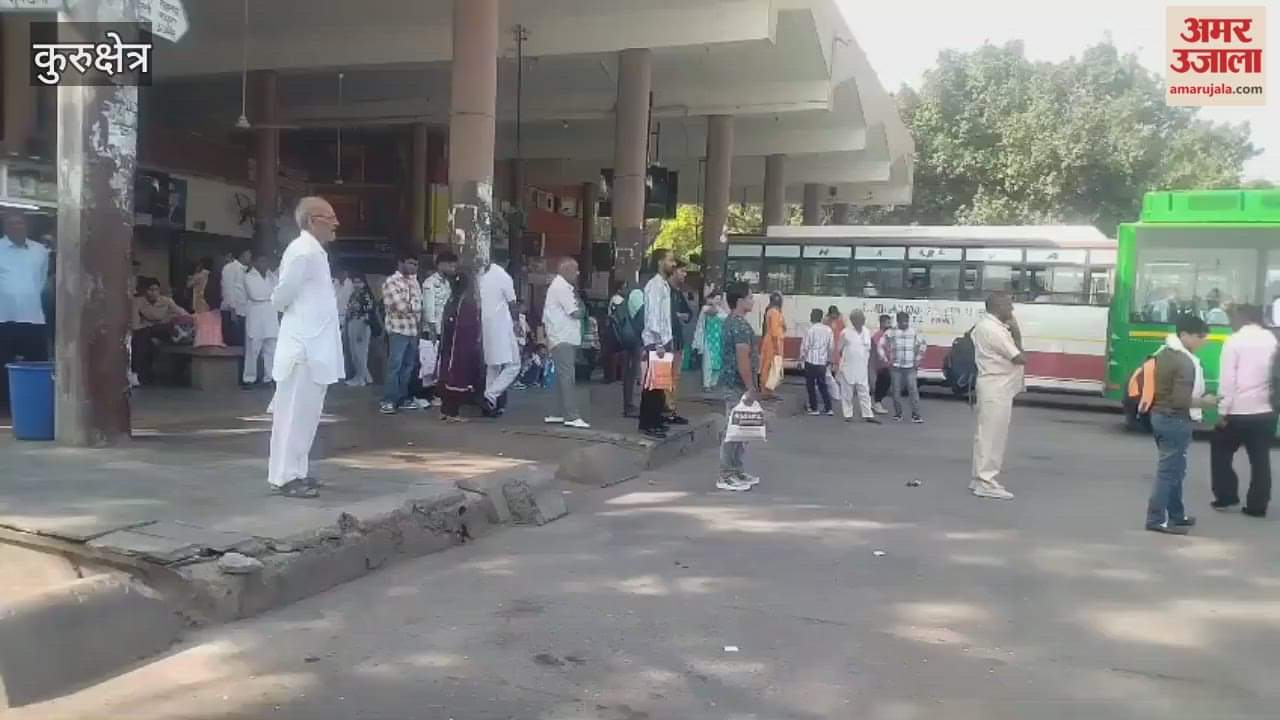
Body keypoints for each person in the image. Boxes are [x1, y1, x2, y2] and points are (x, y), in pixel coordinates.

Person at [267, 196, 344, 498]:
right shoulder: (301, 251)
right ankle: (285, 477)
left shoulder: (316, 253)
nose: (336, 223)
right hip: (302, 349)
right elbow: (281, 295)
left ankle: (298, 472)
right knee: (292, 414)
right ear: (313, 220)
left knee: (307, 415)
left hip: (317, 348)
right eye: (331, 217)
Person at [1145, 314, 1215, 534]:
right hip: (1174, 419)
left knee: (1175, 469)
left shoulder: (1165, 353)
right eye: (1200, 336)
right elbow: (1180, 400)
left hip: (1159, 416)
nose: (1204, 341)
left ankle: (1176, 515)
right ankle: (1156, 519)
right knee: (1169, 472)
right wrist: (1205, 402)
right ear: (1184, 335)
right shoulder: (1184, 361)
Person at [1210, 304, 1277, 517]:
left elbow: (1228, 380)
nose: (1230, 322)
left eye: (1232, 318)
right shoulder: (1272, 340)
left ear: (1242, 318)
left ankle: (1226, 495)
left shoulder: (1234, 341)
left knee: (1221, 450)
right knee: (1260, 459)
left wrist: (1222, 411)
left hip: (1238, 410)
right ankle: (1258, 506)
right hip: (1266, 410)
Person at [969, 292, 1027, 500]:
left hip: (993, 386)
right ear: (998, 307)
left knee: (985, 435)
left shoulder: (986, 326)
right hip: (996, 387)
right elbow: (1019, 357)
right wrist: (1018, 334)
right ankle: (987, 481)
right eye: (1009, 306)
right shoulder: (994, 330)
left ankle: (978, 478)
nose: (1012, 311)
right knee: (993, 437)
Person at [0, 212, 50, 404]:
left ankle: (35, 401)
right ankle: (5, 404)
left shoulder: (40, 251)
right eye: (12, 225)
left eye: (20, 224)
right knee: (3, 363)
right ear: (5, 227)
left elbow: (41, 281)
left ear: (27, 226)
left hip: (33, 315)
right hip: (3, 316)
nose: (16, 228)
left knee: (36, 363)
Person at [718, 282, 762, 492]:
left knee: (741, 429)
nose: (753, 300)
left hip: (733, 382)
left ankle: (736, 469)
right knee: (734, 430)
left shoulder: (731, 322)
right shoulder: (740, 326)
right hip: (736, 384)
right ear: (740, 300)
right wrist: (750, 387)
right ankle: (726, 473)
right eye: (750, 297)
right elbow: (742, 358)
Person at [543, 257, 590, 428]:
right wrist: (582, 307)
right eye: (576, 270)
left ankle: (556, 412)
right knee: (567, 377)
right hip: (562, 338)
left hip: (560, 337)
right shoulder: (562, 287)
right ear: (566, 270)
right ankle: (571, 415)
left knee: (560, 377)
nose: (578, 273)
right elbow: (575, 312)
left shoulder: (561, 286)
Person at [379, 253, 422, 414]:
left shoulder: (414, 281)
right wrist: (414, 306)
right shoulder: (391, 282)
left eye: (416, 264)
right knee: (394, 366)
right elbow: (400, 307)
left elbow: (419, 303)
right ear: (401, 262)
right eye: (410, 263)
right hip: (397, 330)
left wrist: (413, 306)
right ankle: (388, 400)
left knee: (408, 366)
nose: (413, 267)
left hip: (412, 330)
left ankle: (402, 398)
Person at [640, 249, 677, 438]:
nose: (674, 264)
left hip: (663, 340)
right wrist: (659, 341)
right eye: (670, 260)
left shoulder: (663, 285)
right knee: (652, 385)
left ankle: (655, 420)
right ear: (660, 262)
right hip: (656, 342)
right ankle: (648, 424)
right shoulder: (654, 285)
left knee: (659, 383)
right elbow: (653, 315)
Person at [437, 272, 483, 423]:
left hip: (448, 346)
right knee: (457, 378)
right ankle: (453, 413)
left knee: (447, 376)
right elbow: (469, 327)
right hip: (460, 348)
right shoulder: (466, 303)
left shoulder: (451, 300)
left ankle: (445, 410)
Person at [479, 260, 521, 416]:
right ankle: (490, 395)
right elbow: (512, 303)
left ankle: (490, 404)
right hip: (503, 325)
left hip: (486, 326)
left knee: (493, 366)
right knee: (515, 365)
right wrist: (517, 324)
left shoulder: (480, 277)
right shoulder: (503, 276)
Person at [130, 279, 191, 384]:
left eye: (156, 290)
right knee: (140, 340)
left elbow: (184, 314)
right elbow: (135, 325)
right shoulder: (138, 302)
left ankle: (136, 373)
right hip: (145, 332)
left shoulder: (166, 301)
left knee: (154, 331)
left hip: (163, 330)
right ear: (145, 291)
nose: (153, 293)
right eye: (150, 290)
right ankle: (139, 374)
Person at [242, 253, 279, 387]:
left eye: (266, 261)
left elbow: (279, 292)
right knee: (253, 350)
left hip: (270, 316)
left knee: (271, 350)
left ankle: (270, 377)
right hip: (256, 316)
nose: (264, 264)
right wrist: (272, 294)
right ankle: (249, 379)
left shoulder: (272, 277)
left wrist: (272, 294)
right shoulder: (248, 277)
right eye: (261, 261)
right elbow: (256, 295)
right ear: (255, 263)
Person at [837, 309, 878, 424]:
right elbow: (839, 350)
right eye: (858, 319)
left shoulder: (867, 331)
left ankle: (868, 415)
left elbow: (869, 350)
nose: (861, 321)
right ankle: (848, 415)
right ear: (853, 321)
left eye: (862, 319)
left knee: (864, 392)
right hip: (848, 367)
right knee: (847, 393)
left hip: (862, 367)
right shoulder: (845, 333)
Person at [885, 311, 926, 423]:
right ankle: (898, 414)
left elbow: (923, 345)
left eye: (906, 322)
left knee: (913, 390)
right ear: (898, 322)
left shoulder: (914, 332)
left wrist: (918, 359)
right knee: (896, 391)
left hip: (910, 366)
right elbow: (881, 345)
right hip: (896, 367)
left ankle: (916, 415)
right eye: (902, 322)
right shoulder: (891, 332)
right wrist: (886, 359)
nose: (904, 324)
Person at [665, 259, 692, 424]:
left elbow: (688, 313)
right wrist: (676, 316)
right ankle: (666, 410)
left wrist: (681, 316)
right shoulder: (664, 291)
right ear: (673, 271)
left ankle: (671, 409)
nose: (685, 274)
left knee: (674, 378)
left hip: (678, 341)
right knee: (665, 378)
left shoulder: (677, 292)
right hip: (665, 342)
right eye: (682, 271)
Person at [799, 308, 834, 416]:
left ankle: (814, 408)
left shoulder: (810, 330)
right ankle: (828, 408)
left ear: (812, 317)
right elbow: (831, 347)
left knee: (810, 386)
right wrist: (829, 359)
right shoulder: (828, 330)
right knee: (822, 385)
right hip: (822, 362)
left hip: (810, 361)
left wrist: (801, 360)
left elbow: (805, 347)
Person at [693, 289, 727, 392]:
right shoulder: (706, 309)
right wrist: (712, 304)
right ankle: (706, 384)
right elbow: (712, 312)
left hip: (719, 340)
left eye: (720, 299)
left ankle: (713, 383)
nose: (718, 301)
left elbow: (726, 317)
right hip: (709, 339)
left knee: (718, 363)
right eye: (716, 298)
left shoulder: (722, 310)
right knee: (707, 362)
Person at [344, 274, 375, 387]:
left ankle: (361, 378)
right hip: (352, 323)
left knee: (360, 353)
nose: (357, 284)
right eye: (355, 282)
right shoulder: (353, 295)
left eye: (359, 282)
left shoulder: (365, 295)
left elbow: (368, 312)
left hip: (361, 324)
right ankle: (365, 377)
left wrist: (361, 329)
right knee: (354, 352)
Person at [220, 249, 251, 346]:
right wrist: (232, 310)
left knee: (242, 343)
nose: (250, 257)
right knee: (233, 342)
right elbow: (228, 289)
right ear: (242, 254)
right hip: (232, 310)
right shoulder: (230, 268)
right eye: (248, 254)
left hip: (244, 310)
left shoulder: (246, 270)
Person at [759, 292, 786, 398]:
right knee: (770, 365)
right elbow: (774, 331)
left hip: (773, 341)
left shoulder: (772, 311)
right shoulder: (774, 312)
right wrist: (776, 347)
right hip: (773, 342)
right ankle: (766, 391)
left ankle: (768, 390)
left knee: (772, 366)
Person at [871, 314, 892, 415]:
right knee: (883, 382)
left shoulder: (888, 334)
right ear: (882, 323)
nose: (890, 325)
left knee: (886, 382)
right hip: (880, 364)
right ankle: (877, 402)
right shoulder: (878, 335)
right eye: (888, 323)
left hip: (887, 363)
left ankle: (877, 402)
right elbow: (878, 349)